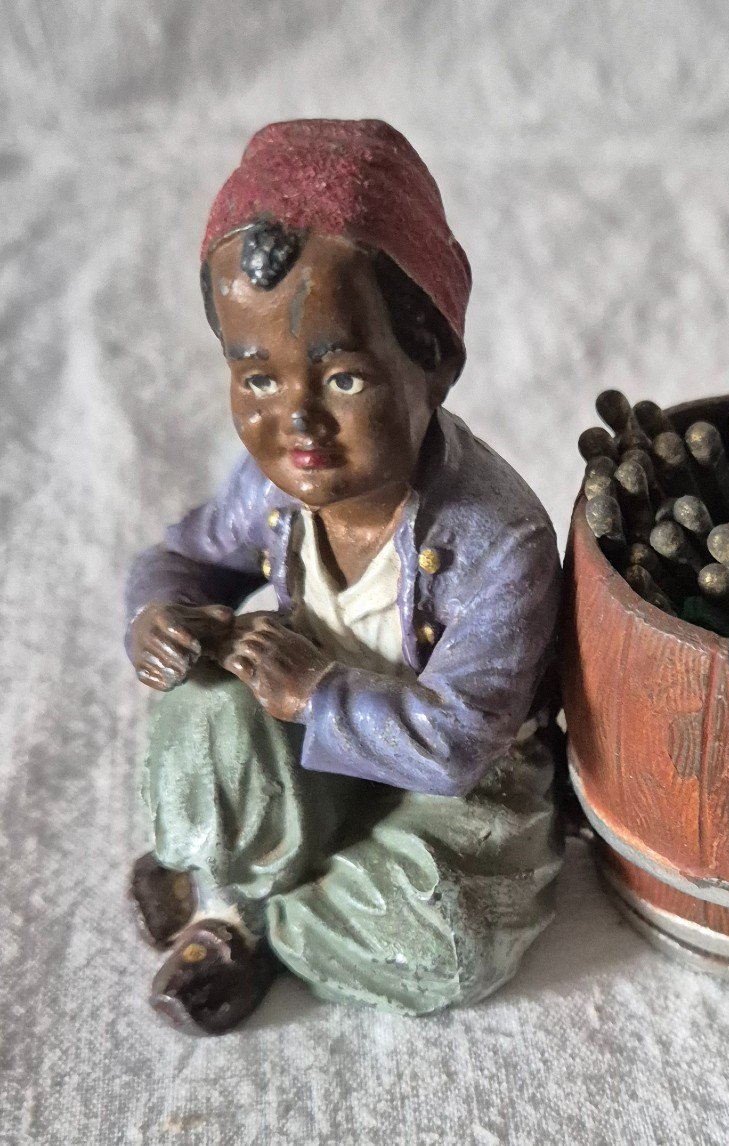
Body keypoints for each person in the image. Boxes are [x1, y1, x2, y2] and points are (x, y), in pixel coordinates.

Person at [124, 119, 563, 1035]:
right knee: (202, 704)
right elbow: (182, 555)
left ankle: (245, 915)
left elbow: (459, 744)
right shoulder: (277, 492)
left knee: (455, 936)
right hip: (308, 765)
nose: (300, 424)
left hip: (451, 801)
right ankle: (243, 884)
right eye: (257, 381)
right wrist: (164, 617)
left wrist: (315, 694)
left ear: (432, 361)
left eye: (346, 380)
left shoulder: (499, 539)